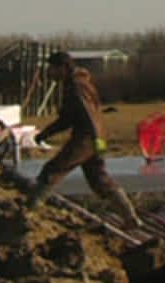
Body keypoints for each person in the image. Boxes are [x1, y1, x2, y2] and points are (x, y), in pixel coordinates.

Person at [24, 50, 141, 227]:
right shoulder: (77, 84)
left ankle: (27, 213)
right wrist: (45, 134)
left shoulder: (76, 87)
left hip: (86, 138)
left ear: (63, 68)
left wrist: (94, 141)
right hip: (95, 138)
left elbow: (87, 115)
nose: (49, 73)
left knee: (52, 170)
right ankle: (131, 218)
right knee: (99, 180)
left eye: (52, 69)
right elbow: (68, 118)